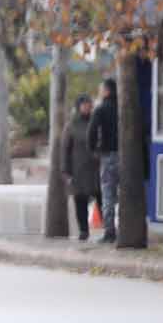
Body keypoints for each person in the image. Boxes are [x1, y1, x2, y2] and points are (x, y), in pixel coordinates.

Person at [58, 94, 100, 240]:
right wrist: (65, 170)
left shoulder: (96, 121)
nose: (88, 107)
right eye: (85, 104)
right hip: (78, 169)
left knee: (101, 197)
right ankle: (83, 230)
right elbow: (65, 149)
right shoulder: (71, 125)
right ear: (79, 106)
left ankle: (109, 229)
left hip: (96, 168)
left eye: (90, 104)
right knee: (80, 200)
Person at [93, 78, 124, 244]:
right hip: (126, 156)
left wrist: (94, 150)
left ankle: (110, 231)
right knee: (125, 193)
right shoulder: (123, 107)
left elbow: (92, 131)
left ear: (106, 91)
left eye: (101, 89)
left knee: (108, 194)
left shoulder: (101, 109)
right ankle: (125, 227)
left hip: (107, 156)